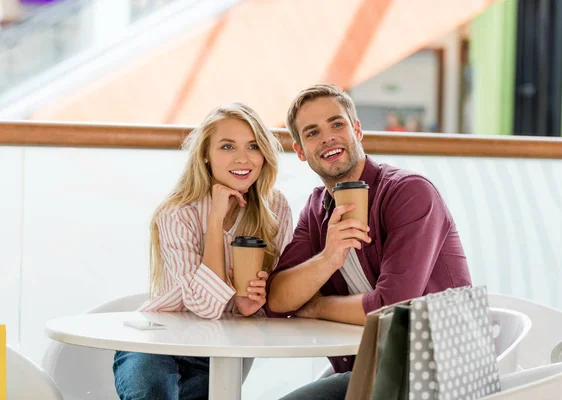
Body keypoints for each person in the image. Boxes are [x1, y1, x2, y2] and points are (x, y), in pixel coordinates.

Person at [266, 84, 472, 399]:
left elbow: (391, 306)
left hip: (434, 374)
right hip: (371, 368)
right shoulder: (317, 207)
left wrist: (317, 305)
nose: (328, 137)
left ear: (357, 130)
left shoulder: (410, 193)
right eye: (312, 133)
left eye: (337, 124)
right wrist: (327, 259)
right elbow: (278, 300)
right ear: (300, 151)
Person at [113, 103, 293, 400]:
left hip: (216, 349)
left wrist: (255, 307)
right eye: (227, 146)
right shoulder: (177, 213)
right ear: (206, 156)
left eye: (253, 146)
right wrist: (215, 219)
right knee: (152, 392)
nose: (243, 158)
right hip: (156, 341)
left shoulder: (275, 209)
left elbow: (277, 295)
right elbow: (206, 305)